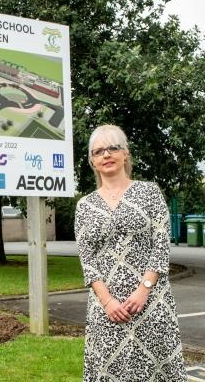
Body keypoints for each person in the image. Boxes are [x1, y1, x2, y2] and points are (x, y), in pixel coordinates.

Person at [74, 124, 186, 381]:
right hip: (106, 307)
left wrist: (144, 289)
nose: (106, 154)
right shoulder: (85, 206)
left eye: (114, 147)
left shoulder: (149, 193)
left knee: (155, 369)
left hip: (151, 303)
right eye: (99, 151)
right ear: (92, 161)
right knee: (110, 370)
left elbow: (161, 245)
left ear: (126, 154)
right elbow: (87, 259)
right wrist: (108, 302)